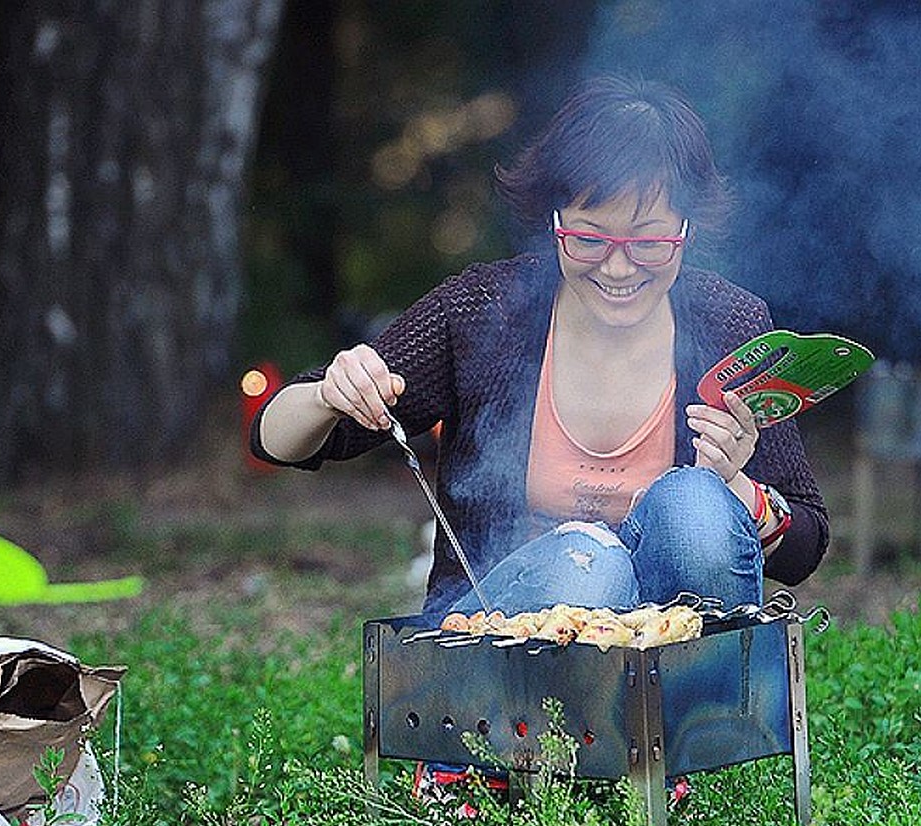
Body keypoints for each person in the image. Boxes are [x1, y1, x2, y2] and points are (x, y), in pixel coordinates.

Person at [250, 74, 828, 620]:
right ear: (554, 220)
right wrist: (329, 394)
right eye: (588, 238)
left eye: (649, 241)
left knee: (695, 507)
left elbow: (804, 549)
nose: (619, 265)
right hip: (501, 646)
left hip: (668, 653)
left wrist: (738, 490)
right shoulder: (484, 312)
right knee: (589, 564)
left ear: (687, 231)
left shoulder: (729, 323)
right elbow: (277, 441)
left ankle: (705, 722)